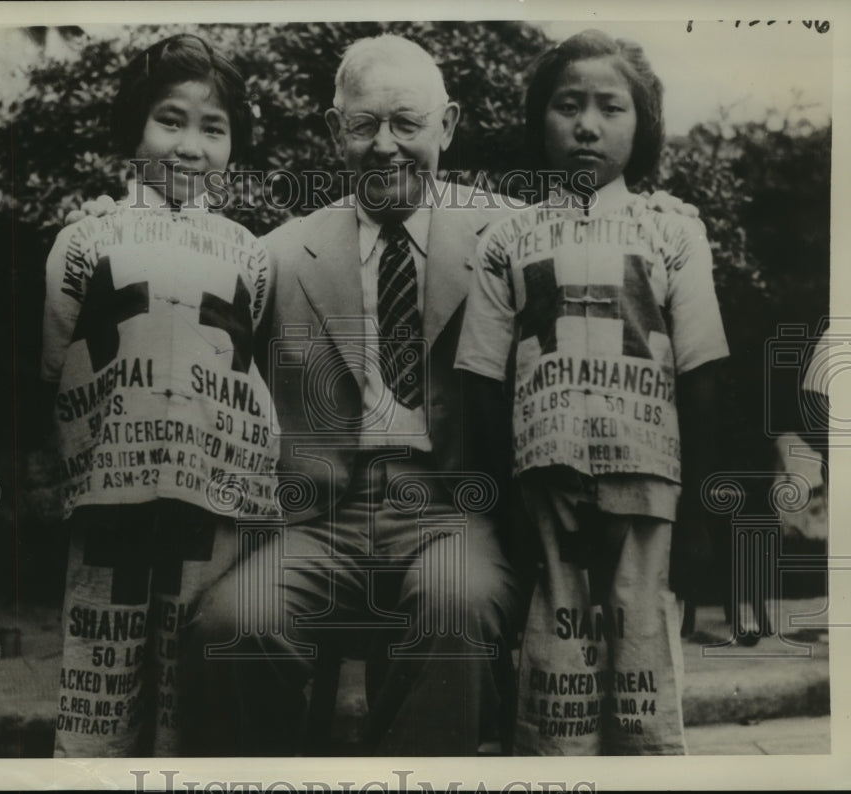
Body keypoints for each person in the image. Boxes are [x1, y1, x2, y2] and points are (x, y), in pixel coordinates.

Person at [183, 33, 524, 757]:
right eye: (366, 124)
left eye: (408, 123)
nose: (387, 146)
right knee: (233, 622)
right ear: (336, 130)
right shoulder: (278, 253)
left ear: (448, 126)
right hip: (318, 518)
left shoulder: (508, 236)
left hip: (448, 508)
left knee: (455, 606)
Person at [455, 29, 728, 755]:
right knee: (557, 684)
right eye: (566, 105)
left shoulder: (673, 232)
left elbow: (701, 371)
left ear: (643, 127)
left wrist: (699, 509)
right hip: (545, 491)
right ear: (538, 119)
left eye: (611, 108)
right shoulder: (506, 237)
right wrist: (502, 504)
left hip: (649, 491)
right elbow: (480, 379)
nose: (586, 125)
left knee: (642, 673)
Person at [40, 33, 277, 757]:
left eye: (214, 129)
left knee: (186, 675)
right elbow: (58, 368)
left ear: (233, 146)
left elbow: (247, 361)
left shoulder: (251, 252)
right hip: (111, 491)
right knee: (100, 663)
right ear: (134, 127)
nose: (189, 147)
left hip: (209, 500)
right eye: (170, 120)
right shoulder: (85, 240)